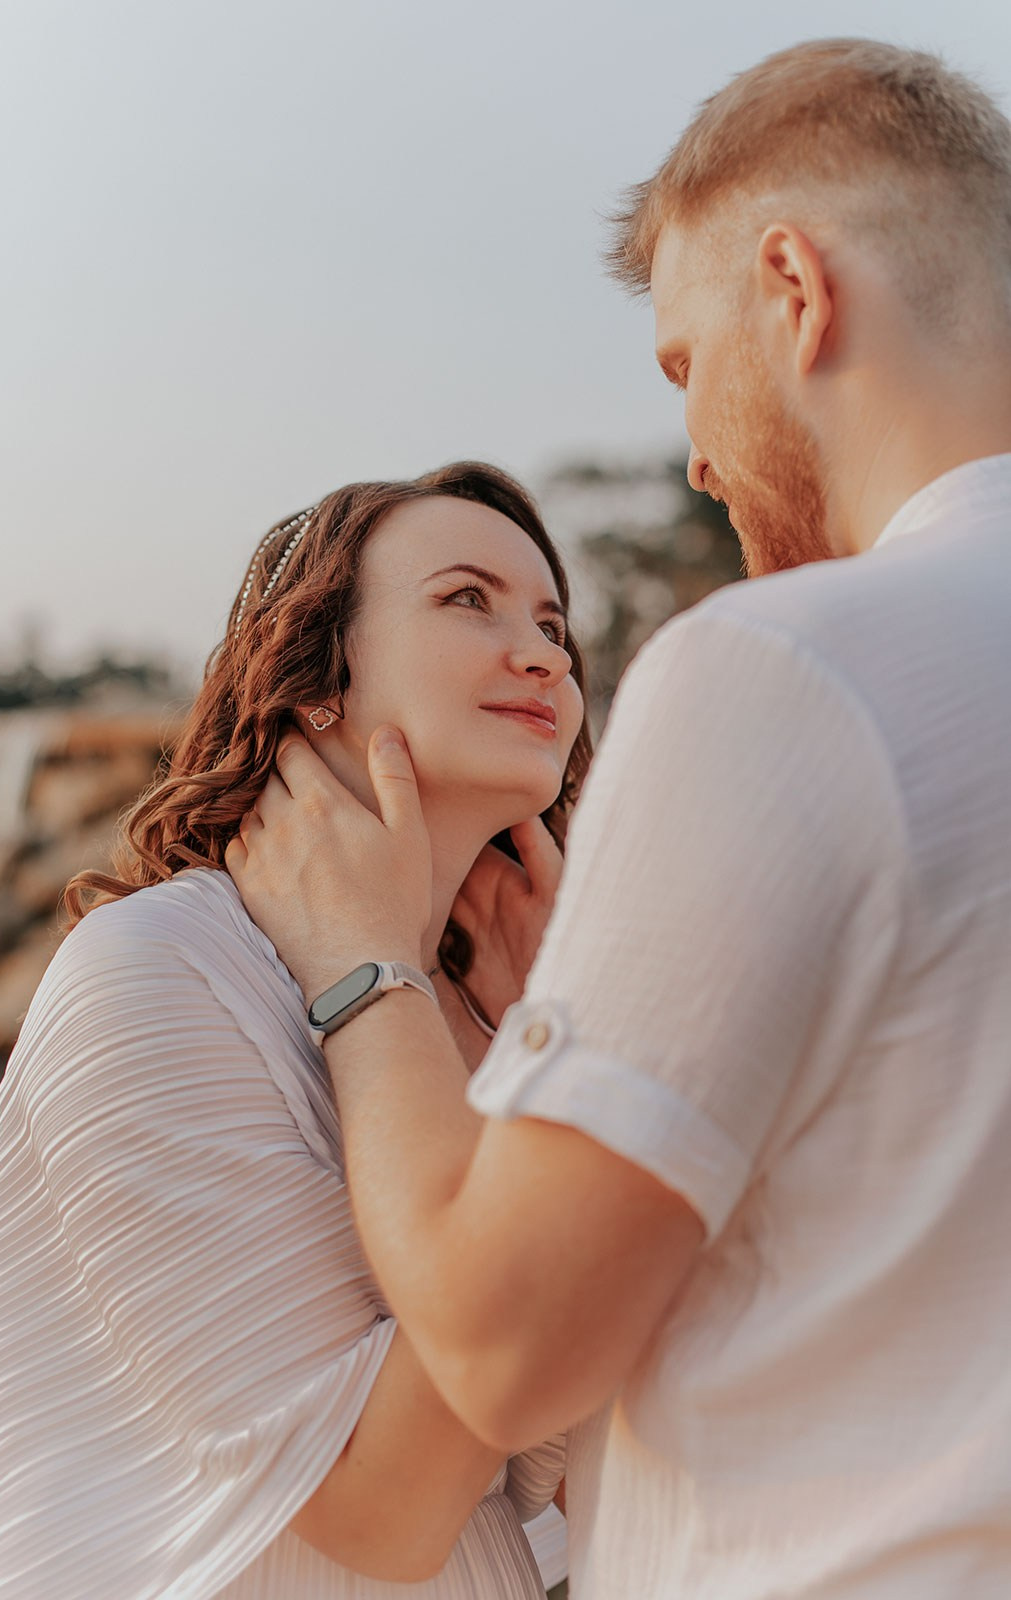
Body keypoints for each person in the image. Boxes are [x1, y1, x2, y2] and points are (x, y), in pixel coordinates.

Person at [226, 39, 1011, 1600]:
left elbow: (505, 1347)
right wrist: (567, 1043)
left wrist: (366, 963)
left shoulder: (784, 668)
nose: (696, 450)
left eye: (678, 364)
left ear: (791, 288)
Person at [0, 461, 591, 1599]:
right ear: (314, 680)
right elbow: (379, 1508)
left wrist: (543, 1036)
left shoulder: (487, 1022)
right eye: (465, 599)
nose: (542, 653)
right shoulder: (156, 969)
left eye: (551, 622)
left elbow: (582, 1458)